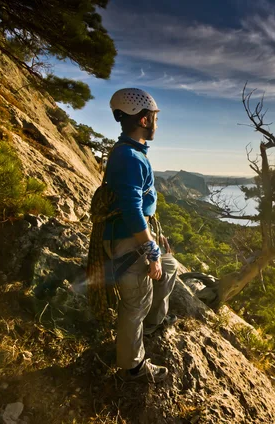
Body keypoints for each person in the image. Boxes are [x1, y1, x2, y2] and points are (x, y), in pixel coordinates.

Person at [103, 88, 178, 383]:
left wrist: (157, 252)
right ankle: (134, 367)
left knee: (169, 268)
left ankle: (152, 324)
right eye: (155, 118)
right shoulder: (131, 158)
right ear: (144, 119)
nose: (157, 123)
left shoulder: (130, 152)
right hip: (127, 240)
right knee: (135, 303)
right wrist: (150, 251)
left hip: (128, 233)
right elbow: (132, 211)